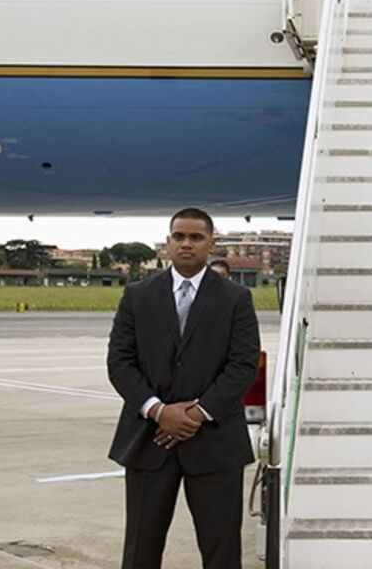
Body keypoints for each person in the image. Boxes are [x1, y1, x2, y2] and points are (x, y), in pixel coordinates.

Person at [106, 208, 261, 569]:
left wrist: (195, 414)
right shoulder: (137, 295)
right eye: (179, 237)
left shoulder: (236, 298)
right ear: (168, 243)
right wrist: (159, 411)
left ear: (211, 243)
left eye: (196, 237)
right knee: (140, 550)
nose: (186, 244)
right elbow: (119, 363)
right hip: (149, 440)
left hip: (215, 443)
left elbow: (243, 366)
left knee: (221, 551)